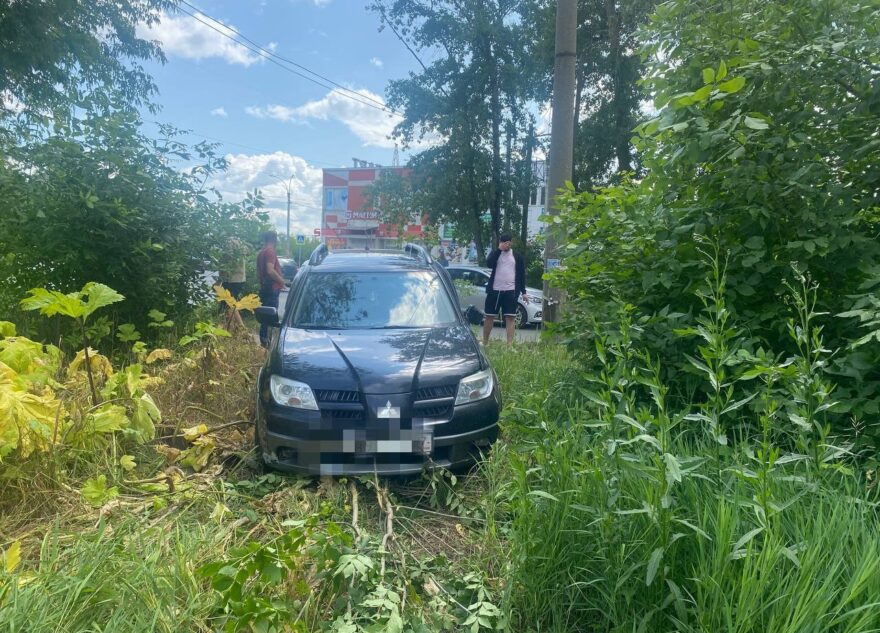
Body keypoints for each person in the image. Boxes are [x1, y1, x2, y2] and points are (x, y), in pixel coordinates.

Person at [482, 234, 527, 346]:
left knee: (510, 317)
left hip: (511, 291)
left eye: (508, 242)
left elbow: (521, 274)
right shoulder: (495, 253)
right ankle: (485, 342)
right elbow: (489, 264)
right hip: (495, 291)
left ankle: (509, 345)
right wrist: (498, 250)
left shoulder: (517, 256)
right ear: (500, 243)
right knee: (489, 316)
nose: (506, 244)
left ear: (510, 243)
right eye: (503, 242)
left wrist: (524, 292)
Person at [256, 231, 286, 347]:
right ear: (275, 239)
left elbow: (259, 274)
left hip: (264, 288)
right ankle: (268, 344)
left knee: (264, 316)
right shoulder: (270, 252)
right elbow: (270, 270)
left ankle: (264, 342)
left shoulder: (261, 253)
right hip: (272, 288)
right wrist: (281, 281)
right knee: (270, 318)